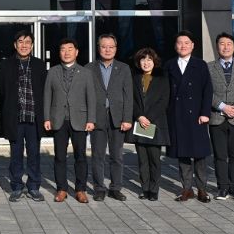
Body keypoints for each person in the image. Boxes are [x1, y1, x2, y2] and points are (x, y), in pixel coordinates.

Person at [43, 38, 96, 203]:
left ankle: (80, 190)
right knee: (60, 156)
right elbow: (47, 96)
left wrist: (91, 119)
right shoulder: (52, 72)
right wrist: (46, 117)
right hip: (58, 119)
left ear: (77, 52)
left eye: (70, 49)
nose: (66, 52)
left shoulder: (86, 73)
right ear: (59, 53)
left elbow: (91, 98)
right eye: (63, 49)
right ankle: (61, 189)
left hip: (80, 120)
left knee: (80, 156)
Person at [0, 30, 47, 202]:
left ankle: (33, 186)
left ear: (32, 45)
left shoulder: (40, 65)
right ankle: (17, 186)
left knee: (34, 154)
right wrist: (2, 120)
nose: (24, 45)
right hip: (15, 118)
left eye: (27, 42)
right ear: (15, 45)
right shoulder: (5, 65)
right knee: (16, 154)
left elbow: (44, 93)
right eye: (20, 42)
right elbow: (1, 94)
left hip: (34, 118)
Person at [164, 30, 213, 203]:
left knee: (199, 155)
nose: (183, 46)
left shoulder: (200, 64)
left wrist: (205, 113)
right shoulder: (169, 65)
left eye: (186, 43)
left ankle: (202, 189)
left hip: (197, 116)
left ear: (192, 45)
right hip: (176, 115)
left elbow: (208, 90)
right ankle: (186, 188)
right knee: (182, 154)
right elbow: (165, 92)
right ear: (175, 46)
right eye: (180, 43)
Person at [87, 33, 133, 202]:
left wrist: (127, 118)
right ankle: (99, 188)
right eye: (104, 46)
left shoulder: (124, 68)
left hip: (117, 118)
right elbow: (85, 95)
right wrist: (89, 119)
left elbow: (128, 96)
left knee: (117, 156)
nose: (107, 50)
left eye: (111, 47)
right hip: (97, 117)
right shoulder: (89, 68)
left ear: (116, 48)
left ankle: (115, 188)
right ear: (98, 48)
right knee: (97, 156)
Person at [207, 32, 234, 201]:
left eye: (228, 44)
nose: (225, 47)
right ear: (217, 47)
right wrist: (223, 107)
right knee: (220, 155)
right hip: (216, 117)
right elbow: (206, 91)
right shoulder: (209, 67)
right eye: (222, 44)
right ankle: (222, 188)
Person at [126, 48, 170, 201]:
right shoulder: (134, 78)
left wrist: (148, 118)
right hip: (139, 122)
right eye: (143, 59)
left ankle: (154, 189)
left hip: (155, 123)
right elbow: (130, 100)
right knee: (142, 160)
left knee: (154, 159)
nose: (146, 62)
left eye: (149, 59)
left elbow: (163, 101)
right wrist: (139, 116)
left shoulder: (162, 78)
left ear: (154, 61)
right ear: (139, 62)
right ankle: (145, 188)